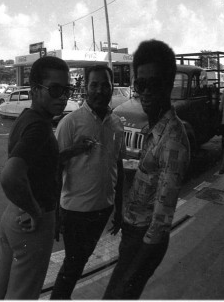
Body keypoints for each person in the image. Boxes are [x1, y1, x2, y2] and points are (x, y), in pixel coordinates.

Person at [103, 40, 190, 299]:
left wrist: (136, 265)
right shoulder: (154, 127)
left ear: (168, 84)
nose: (147, 92)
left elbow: (161, 223)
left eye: (155, 84)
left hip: (144, 241)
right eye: (141, 84)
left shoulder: (172, 139)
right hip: (134, 234)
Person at [0, 56, 73, 299]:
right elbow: (11, 175)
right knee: (23, 294)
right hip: (32, 221)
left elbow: (37, 163)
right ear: (35, 89)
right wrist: (35, 211)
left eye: (67, 89)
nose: (63, 96)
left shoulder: (26, 118)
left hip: (13, 215)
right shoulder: (40, 128)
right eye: (55, 89)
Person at [50, 65, 126, 299]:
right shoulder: (70, 122)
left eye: (105, 84)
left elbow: (118, 165)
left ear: (112, 87)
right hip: (75, 211)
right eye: (94, 84)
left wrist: (119, 207)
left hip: (103, 209)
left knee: (78, 263)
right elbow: (53, 165)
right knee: (72, 266)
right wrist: (55, 213)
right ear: (85, 88)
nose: (100, 90)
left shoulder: (116, 123)